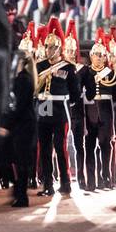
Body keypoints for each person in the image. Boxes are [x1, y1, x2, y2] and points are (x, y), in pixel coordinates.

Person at [35, 18, 81, 197]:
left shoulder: (68, 68)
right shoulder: (40, 66)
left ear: (59, 48)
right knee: (44, 148)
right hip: (43, 105)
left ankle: (65, 183)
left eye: (52, 47)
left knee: (60, 147)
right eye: (47, 47)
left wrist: (69, 104)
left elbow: (75, 94)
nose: (48, 50)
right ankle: (48, 184)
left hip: (60, 107)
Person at [80, 34, 116, 191]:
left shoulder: (112, 74)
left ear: (105, 57)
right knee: (89, 147)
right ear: (90, 56)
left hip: (106, 111)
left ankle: (106, 178)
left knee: (105, 146)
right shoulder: (85, 73)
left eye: (101, 55)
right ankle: (91, 181)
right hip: (89, 110)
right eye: (95, 54)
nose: (98, 57)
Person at [5, 45, 38, 207]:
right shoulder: (17, 78)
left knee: (21, 162)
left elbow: (17, 106)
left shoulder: (24, 79)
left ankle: (22, 195)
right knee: (11, 161)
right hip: (19, 125)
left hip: (23, 126)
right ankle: (18, 190)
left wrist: (5, 124)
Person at [62, 20, 87, 185]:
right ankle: (64, 177)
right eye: (68, 49)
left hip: (77, 110)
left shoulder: (82, 70)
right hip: (62, 111)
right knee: (61, 146)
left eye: (73, 50)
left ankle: (81, 176)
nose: (71, 52)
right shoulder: (59, 67)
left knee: (79, 145)